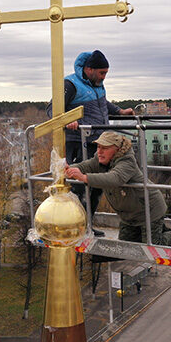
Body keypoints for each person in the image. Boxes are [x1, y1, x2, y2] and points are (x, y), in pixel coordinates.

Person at [49, 50, 134, 235]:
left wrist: (119, 112)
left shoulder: (97, 85)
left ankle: (86, 226)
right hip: (77, 142)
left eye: (106, 73)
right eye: (102, 73)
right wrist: (66, 120)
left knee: (95, 188)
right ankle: (73, 227)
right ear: (88, 69)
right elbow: (51, 110)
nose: (104, 77)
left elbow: (102, 103)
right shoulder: (70, 84)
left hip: (96, 143)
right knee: (79, 188)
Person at [65, 131, 166, 244]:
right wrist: (69, 169)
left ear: (117, 149)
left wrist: (84, 178)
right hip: (129, 215)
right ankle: (161, 230)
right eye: (98, 147)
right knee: (125, 247)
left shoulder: (127, 161)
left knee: (155, 246)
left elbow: (114, 178)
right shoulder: (100, 158)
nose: (100, 151)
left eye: (105, 148)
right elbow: (86, 165)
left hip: (149, 210)